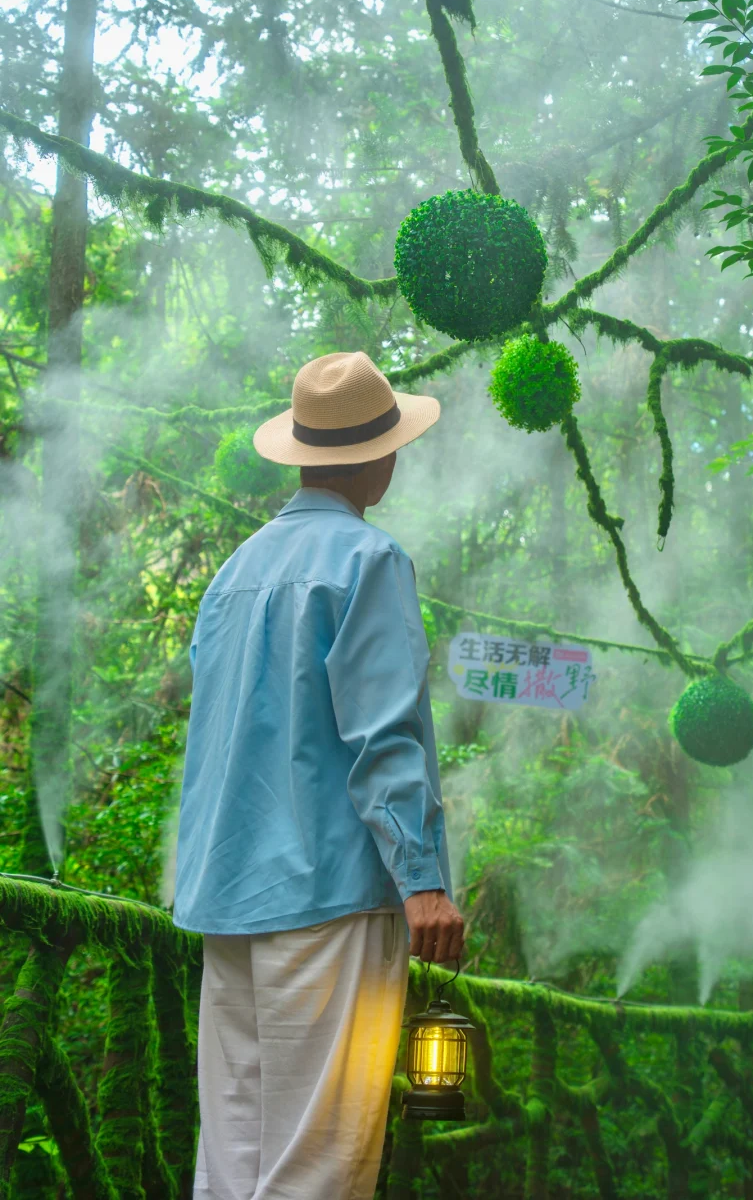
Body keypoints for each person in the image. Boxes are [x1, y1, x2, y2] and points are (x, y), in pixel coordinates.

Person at [173, 349, 464, 1200]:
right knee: (318, 1169)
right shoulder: (369, 560)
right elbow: (384, 732)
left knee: (232, 1165)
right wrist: (423, 880)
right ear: (376, 458)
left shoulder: (234, 573)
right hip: (329, 900)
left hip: (228, 900)